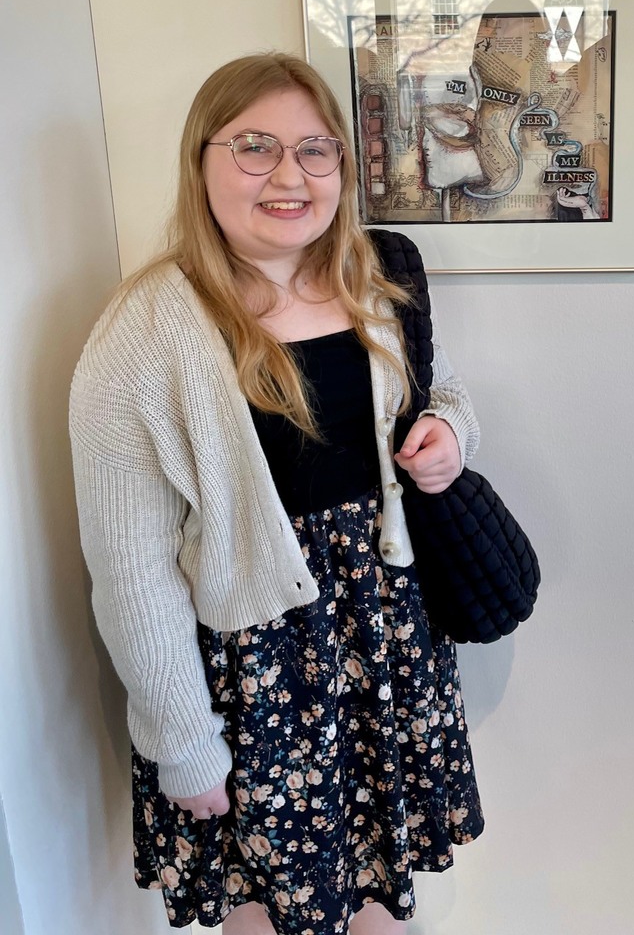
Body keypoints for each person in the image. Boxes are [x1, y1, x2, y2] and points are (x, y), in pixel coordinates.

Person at [69, 53, 484, 935]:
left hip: (385, 651)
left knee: (380, 899)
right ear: (201, 160)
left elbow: (434, 391)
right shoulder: (144, 333)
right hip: (255, 679)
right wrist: (183, 743)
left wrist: (450, 435)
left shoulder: (379, 273)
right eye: (254, 147)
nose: (289, 175)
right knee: (271, 915)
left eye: (314, 150)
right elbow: (131, 569)